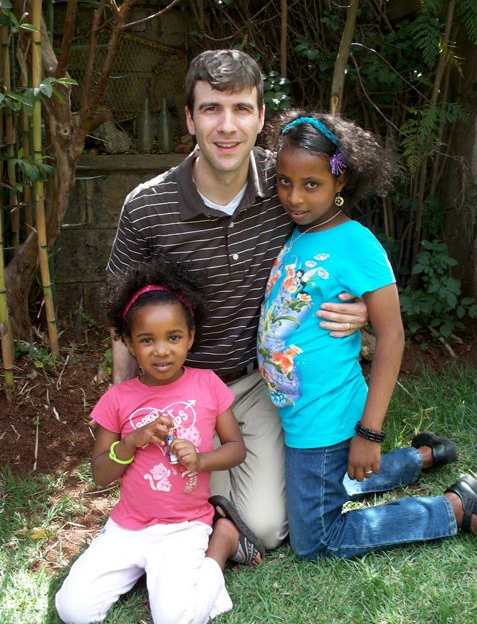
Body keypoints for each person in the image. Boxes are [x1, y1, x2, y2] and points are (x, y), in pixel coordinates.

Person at [106, 49, 369, 551]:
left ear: (262, 117)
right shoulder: (147, 206)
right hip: (177, 389)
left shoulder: (287, 182)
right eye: (210, 109)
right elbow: (122, 318)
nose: (227, 126)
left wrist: (358, 304)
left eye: (241, 108)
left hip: (255, 385)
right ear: (189, 118)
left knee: (269, 529)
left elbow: (342, 245)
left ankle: (381, 466)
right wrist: (126, 407)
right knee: (179, 498)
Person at [257, 109, 477, 560]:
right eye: (283, 181)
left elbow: (392, 336)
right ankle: (421, 458)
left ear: (341, 182)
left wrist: (369, 433)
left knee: (316, 539)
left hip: (327, 418)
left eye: (311, 184)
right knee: (335, 477)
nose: (294, 197)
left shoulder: (356, 243)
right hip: (300, 415)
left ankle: (454, 508)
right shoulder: (299, 232)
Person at [56, 256, 264, 624]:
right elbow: (101, 474)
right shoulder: (118, 399)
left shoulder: (208, 385)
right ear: (128, 343)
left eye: (173, 337)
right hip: (127, 527)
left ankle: (222, 542)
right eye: (146, 340)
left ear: (191, 337)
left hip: (184, 527)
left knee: (175, 620)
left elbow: (236, 449)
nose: (162, 350)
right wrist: (131, 442)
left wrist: (200, 460)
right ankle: (142, 569)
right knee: (71, 610)